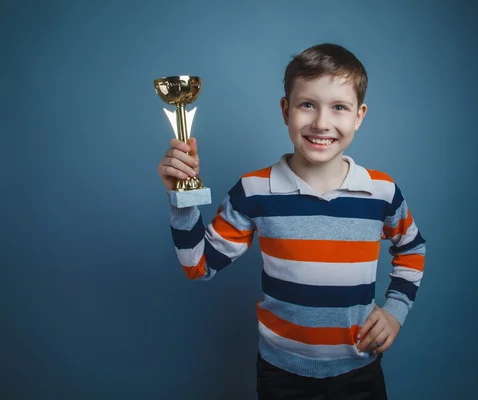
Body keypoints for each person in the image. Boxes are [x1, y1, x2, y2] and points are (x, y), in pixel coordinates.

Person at [157, 43, 426, 399]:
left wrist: (394, 311)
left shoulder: (381, 191)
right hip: (282, 377)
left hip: (360, 372)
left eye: (339, 107)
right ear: (286, 111)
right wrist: (182, 197)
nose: (321, 123)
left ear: (359, 116)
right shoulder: (253, 190)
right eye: (307, 105)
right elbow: (198, 264)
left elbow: (412, 248)